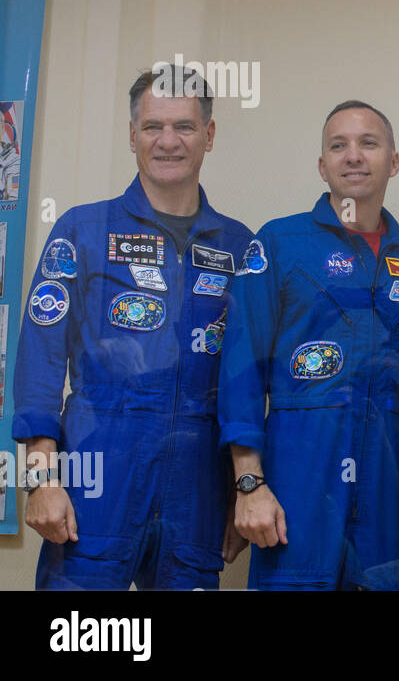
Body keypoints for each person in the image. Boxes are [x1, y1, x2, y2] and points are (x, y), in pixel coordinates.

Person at [13, 65, 252, 589]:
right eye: (152, 127)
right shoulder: (82, 229)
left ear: (208, 136)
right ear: (131, 135)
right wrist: (39, 480)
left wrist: (243, 487)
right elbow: (40, 361)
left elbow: (248, 382)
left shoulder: (239, 248)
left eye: (185, 127)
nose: (168, 141)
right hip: (95, 474)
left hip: (197, 488)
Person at [218, 100, 399, 590]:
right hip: (297, 480)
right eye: (338, 145)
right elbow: (240, 371)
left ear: (394, 161)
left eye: (369, 143)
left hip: (386, 485)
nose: (353, 156)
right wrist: (248, 483)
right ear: (322, 166)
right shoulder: (279, 243)